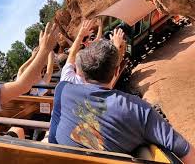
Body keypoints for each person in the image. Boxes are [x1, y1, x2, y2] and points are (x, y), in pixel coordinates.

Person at [48, 32, 195, 163]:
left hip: (61, 157)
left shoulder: (62, 90)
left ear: (81, 72)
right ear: (117, 70)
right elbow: (186, 152)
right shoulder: (137, 108)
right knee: (146, 150)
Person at [61, 19, 124, 84]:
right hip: (94, 65)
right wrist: (100, 27)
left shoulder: (67, 79)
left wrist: (80, 36)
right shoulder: (87, 44)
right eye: (89, 37)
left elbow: (72, 54)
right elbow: (98, 38)